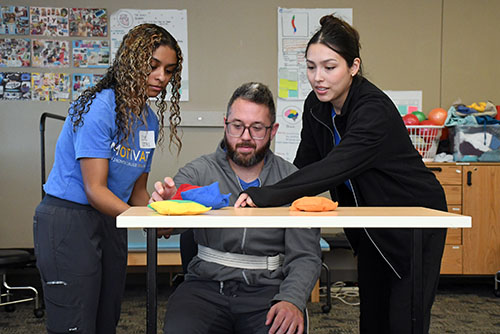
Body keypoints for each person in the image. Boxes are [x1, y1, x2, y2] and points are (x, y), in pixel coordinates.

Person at [235, 15, 447, 334]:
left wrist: (263, 197)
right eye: (311, 67)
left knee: (404, 320)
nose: (318, 77)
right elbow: (304, 167)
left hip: (413, 225)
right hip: (371, 225)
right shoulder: (316, 106)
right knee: (373, 319)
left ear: (354, 66)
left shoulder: (373, 109)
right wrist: (259, 193)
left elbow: (334, 167)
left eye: (329, 67)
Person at [33, 23, 183, 334]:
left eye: (168, 70)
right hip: (69, 219)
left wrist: (159, 216)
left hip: (112, 220)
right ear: (131, 61)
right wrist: (144, 219)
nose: (161, 77)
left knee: (106, 320)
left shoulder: (149, 121)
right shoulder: (99, 107)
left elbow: (137, 192)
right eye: (153, 66)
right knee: (74, 324)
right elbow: (95, 189)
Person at [150, 82, 322, 334]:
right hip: (204, 288)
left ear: (273, 130)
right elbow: (165, 225)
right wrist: (163, 212)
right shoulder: (198, 171)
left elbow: (305, 255)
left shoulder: (292, 180)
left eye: (257, 128)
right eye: (237, 126)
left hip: (268, 291)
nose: (245, 137)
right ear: (225, 124)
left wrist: (291, 299)